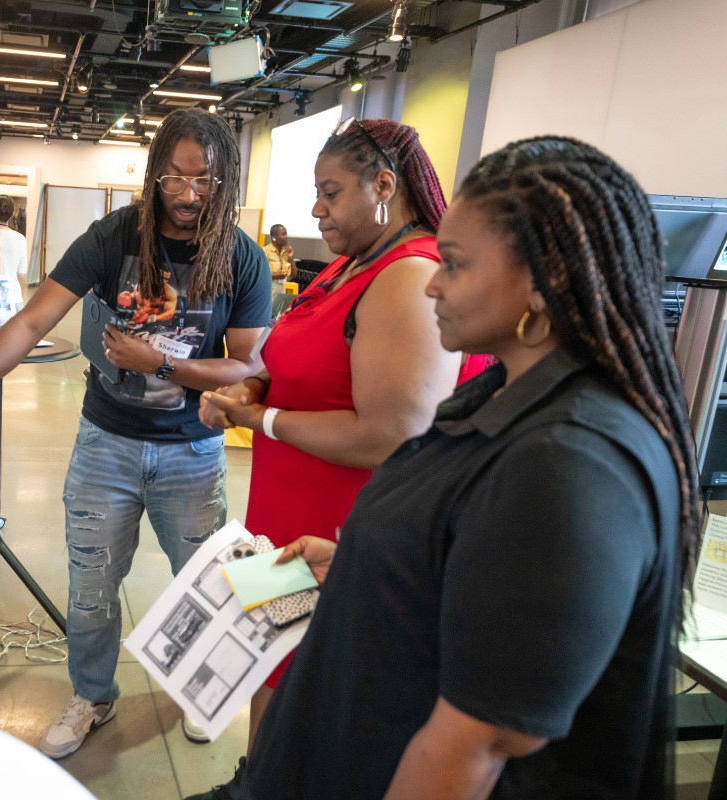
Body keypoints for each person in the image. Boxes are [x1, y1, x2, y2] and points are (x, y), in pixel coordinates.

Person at [193, 136, 698, 800]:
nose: (432, 280)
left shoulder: (569, 465)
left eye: (454, 265)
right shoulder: (498, 394)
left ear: (543, 285)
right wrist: (363, 564)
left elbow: (474, 746)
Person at [0, 108, 271, 759]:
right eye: (175, 179)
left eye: (206, 182)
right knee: (93, 583)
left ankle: (199, 691)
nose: (189, 196)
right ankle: (93, 694)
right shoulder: (114, 237)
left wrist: (158, 360)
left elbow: (248, 365)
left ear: (227, 181)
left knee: (201, 583)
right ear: (155, 173)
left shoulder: (240, 256)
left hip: (192, 451)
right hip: (107, 445)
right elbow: (27, 322)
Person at [198, 118, 460, 753]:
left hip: (341, 528)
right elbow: (298, 363)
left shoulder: (404, 276)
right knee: (273, 671)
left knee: (317, 698)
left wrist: (254, 418)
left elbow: (392, 435)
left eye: (331, 192)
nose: (316, 209)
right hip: (286, 519)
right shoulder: (349, 266)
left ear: (384, 185)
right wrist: (252, 389)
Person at [261, 223, 295, 290]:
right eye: (283, 234)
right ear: (274, 237)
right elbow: (259, 275)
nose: (286, 237)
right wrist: (276, 276)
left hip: (281, 292)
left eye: (286, 234)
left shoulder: (286, 252)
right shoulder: (264, 251)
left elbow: (293, 275)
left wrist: (291, 258)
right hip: (267, 291)